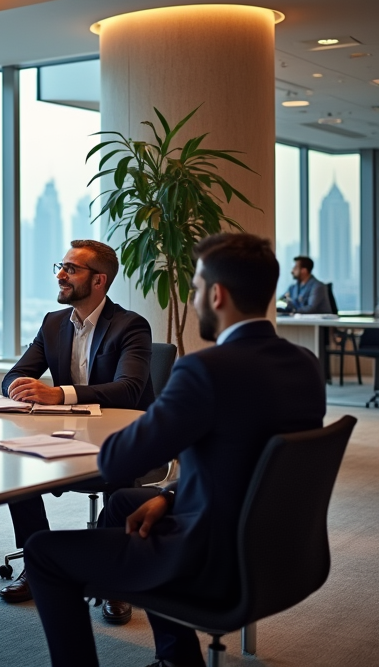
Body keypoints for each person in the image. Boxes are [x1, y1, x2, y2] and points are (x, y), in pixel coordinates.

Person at [24, 233, 326, 667]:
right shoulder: (305, 364)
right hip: (283, 551)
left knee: (42, 551)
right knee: (129, 502)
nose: (195, 297)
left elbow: (116, 460)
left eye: (198, 289)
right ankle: (176, 658)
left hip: (211, 558)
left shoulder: (204, 370)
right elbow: (254, 467)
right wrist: (168, 497)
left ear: (217, 295)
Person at [0, 239, 153, 606]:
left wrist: (60, 394)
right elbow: (16, 374)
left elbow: (129, 389)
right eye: (61, 267)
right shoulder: (53, 324)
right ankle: (38, 563)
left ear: (99, 281)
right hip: (67, 437)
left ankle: (112, 575)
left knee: (120, 472)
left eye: (70, 269)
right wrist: (18, 388)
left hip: (121, 440)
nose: (60, 276)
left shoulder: (130, 326)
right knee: (15, 464)